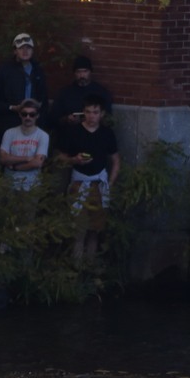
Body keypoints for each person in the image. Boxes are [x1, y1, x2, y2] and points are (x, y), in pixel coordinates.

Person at [59, 97, 121, 265]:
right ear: (83, 112)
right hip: (79, 183)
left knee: (95, 229)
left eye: (95, 112)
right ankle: (76, 267)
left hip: (99, 184)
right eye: (88, 112)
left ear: (101, 114)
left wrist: (111, 184)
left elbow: (115, 160)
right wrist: (75, 160)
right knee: (79, 230)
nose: (91, 116)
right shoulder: (73, 132)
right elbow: (61, 157)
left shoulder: (107, 133)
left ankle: (90, 266)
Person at [0, 33, 49, 149]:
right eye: (21, 48)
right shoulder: (3, 71)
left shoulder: (38, 71)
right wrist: (11, 107)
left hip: (31, 126)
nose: (25, 51)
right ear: (15, 51)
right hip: (8, 125)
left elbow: (43, 100)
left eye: (28, 47)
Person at [52, 56, 114, 135]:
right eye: (78, 72)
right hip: (70, 134)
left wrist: (94, 118)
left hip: (95, 135)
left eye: (85, 71)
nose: (82, 75)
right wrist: (67, 119)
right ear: (74, 73)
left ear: (90, 72)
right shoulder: (64, 93)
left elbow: (108, 118)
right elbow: (54, 118)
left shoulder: (101, 92)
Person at [0, 101, 50, 190]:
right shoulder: (9, 133)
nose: (28, 117)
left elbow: (37, 163)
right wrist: (27, 158)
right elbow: (3, 158)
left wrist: (14, 167)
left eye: (32, 114)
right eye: (24, 114)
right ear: (20, 115)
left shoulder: (43, 135)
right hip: (9, 184)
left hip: (32, 186)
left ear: (37, 116)